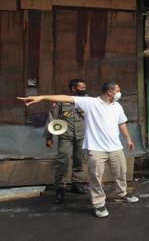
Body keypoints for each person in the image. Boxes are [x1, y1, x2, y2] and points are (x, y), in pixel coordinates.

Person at [18, 81, 139, 218]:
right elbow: (64, 98)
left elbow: (121, 123)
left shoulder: (117, 106)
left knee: (121, 173)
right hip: (97, 149)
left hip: (116, 147)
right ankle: (98, 204)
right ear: (109, 92)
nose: (119, 93)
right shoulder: (90, 103)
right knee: (95, 179)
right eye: (118, 90)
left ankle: (121, 195)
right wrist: (41, 97)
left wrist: (128, 138)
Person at [44, 79, 88, 204]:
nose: (84, 89)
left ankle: (76, 184)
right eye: (82, 87)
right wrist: (49, 137)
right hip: (65, 136)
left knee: (79, 160)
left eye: (85, 87)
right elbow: (51, 119)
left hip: (81, 136)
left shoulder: (87, 101)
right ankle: (60, 189)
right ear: (73, 89)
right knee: (63, 161)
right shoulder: (62, 101)